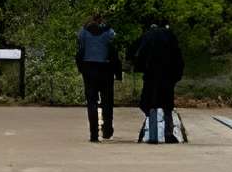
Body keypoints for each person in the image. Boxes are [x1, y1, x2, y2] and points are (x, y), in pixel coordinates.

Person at [133, 17, 186, 143]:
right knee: (167, 105)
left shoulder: (149, 36)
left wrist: (141, 68)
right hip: (168, 75)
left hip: (151, 74)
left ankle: (152, 132)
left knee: (151, 103)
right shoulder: (171, 37)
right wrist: (177, 75)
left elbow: (139, 53)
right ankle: (168, 133)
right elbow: (178, 58)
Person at [74, 14, 122, 143]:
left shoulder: (83, 31)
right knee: (107, 100)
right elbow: (114, 46)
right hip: (106, 68)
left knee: (92, 101)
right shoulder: (108, 32)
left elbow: (79, 45)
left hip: (89, 68)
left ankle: (93, 134)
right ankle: (107, 130)